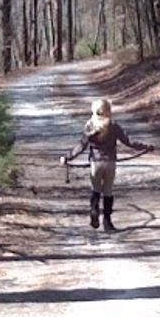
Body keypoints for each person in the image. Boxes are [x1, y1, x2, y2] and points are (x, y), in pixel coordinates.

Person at [60, 99, 154, 231]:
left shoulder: (89, 125)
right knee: (108, 191)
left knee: (96, 189)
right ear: (108, 110)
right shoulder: (113, 125)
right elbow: (129, 142)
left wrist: (67, 157)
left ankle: (94, 211)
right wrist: (146, 147)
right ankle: (107, 221)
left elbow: (80, 146)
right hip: (110, 163)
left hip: (95, 163)